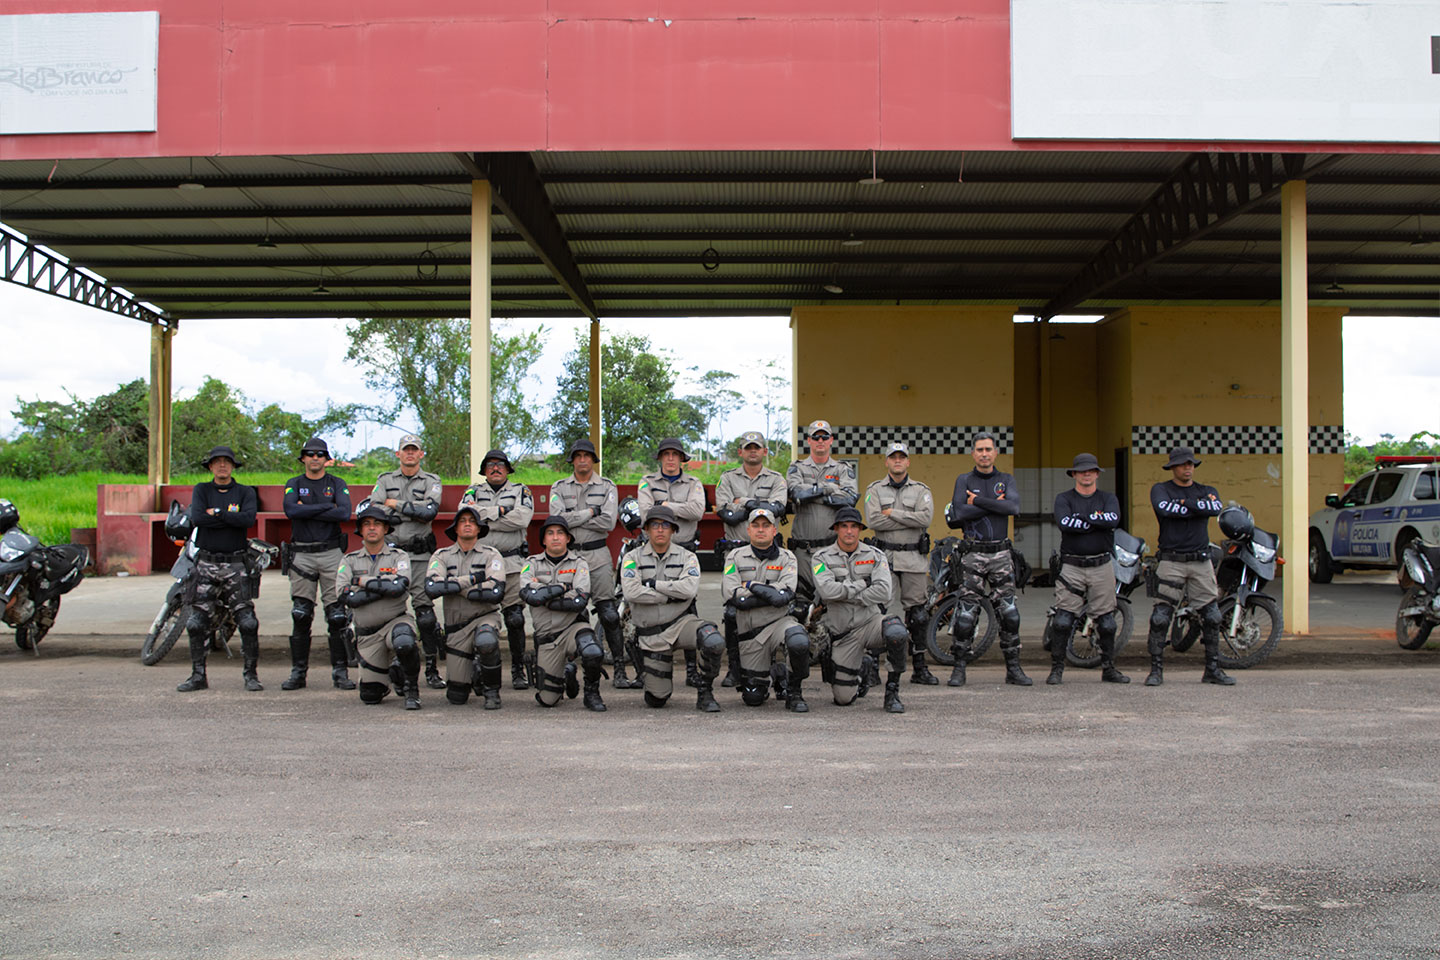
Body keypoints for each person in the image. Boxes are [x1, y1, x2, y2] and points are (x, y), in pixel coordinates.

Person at [549, 439, 641, 690]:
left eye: (587, 456)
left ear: (593, 460)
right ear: (572, 460)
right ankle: (568, 668)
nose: (582, 460)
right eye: (577, 456)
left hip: (598, 554)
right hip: (569, 557)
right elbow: (558, 522)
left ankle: (620, 669)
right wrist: (590, 512)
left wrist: (574, 518)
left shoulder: (607, 486)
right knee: (570, 612)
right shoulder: (558, 487)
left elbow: (609, 523)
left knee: (610, 615)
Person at [620, 505, 725, 712]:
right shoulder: (632, 558)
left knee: (712, 639)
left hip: (681, 624)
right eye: (655, 525)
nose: (660, 529)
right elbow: (631, 592)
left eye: (665, 525)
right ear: (646, 530)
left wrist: (652, 585)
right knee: (657, 699)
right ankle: (658, 681)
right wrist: (669, 596)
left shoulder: (688, 557)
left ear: (673, 530)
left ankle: (705, 692)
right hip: (652, 634)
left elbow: (688, 589)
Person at [945, 432, 1030, 687]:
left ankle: (1013, 670)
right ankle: (958, 669)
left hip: (1001, 554)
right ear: (973, 453)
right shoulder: (964, 480)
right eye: (979, 449)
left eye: (988, 449)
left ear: (995, 453)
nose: (984, 454)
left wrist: (979, 501)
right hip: (972, 554)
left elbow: (1013, 508)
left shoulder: (1006, 479)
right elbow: (960, 511)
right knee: (965, 616)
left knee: (1010, 615)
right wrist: (995, 504)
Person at [1145, 447, 1234, 687]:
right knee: (1161, 617)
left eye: (1191, 464)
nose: (1188, 468)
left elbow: (1215, 508)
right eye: (1183, 464)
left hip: (1200, 561)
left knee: (1213, 616)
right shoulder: (1161, 489)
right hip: (1171, 560)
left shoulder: (1207, 490)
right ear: (1173, 467)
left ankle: (1212, 670)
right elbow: (1165, 508)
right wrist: (1196, 506)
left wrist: (1184, 504)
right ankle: (1155, 671)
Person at [177, 445, 262, 693]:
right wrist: (226, 517)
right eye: (217, 462)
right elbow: (199, 519)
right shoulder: (202, 490)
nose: (222, 465)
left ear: (233, 466)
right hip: (206, 563)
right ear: (210, 467)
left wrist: (218, 513)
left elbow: (247, 520)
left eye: (227, 461)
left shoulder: (245, 492)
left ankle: (251, 675)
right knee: (196, 622)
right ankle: (197, 675)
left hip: (236, 563)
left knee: (247, 622)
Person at [811, 507, 907, 713]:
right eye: (844, 526)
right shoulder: (821, 558)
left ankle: (892, 693)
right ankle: (861, 668)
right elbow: (827, 592)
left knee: (897, 632)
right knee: (844, 699)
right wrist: (864, 584)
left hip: (870, 623)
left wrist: (846, 595)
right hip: (843, 634)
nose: (849, 531)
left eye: (854, 526)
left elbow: (883, 592)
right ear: (836, 528)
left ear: (860, 530)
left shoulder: (875, 555)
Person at [1043, 452, 1129, 685]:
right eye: (1082, 471)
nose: (1087, 474)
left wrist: (1083, 519)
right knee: (1062, 621)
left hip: (1102, 565)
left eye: (1091, 470)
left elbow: (1112, 520)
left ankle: (1109, 668)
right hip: (1072, 565)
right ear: (1074, 474)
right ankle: (1056, 669)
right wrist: (1096, 520)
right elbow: (1065, 523)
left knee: (1107, 623)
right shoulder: (1064, 498)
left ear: (1097, 473)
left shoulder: (1108, 497)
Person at [279, 437, 355, 691]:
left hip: (331, 553)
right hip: (302, 554)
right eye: (310, 454)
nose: (315, 458)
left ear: (327, 459)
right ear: (303, 458)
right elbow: (291, 511)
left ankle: (340, 672)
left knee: (336, 616)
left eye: (320, 454)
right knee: (300, 614)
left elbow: (344, 513)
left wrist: (308, 508)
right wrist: (326, 507)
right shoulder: (294, 484)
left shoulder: (337, 483)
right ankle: (298, 673)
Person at [713, 431, 788, 688]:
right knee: (734, 611)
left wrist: (742, 502)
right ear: (741, 452)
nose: (753, 451)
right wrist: (760, 505)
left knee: (771, 604)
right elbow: (727, 514)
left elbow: (778, 509)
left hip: (769, 553)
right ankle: (735, 668)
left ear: (765, 451)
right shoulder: (727, 478)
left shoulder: (777, 479)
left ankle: (772, 665)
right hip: (736, 553)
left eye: (757, 447)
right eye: (748, 448)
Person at [373, 434, 445, 690]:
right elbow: (375, 510)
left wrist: (395, 504)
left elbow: (429, 513)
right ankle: (393, 667)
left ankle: (432, 669)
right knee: (389, 611)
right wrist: (410, 509)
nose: (410, 454)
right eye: (406, 450)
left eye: (414, 450)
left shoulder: (431, 481)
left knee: (425, 616)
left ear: (421, 454)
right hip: (390, 555)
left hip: (420, 556)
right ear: (398, 454)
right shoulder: (385, 480)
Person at [862, 441, 938, 685]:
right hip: (884, 558)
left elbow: (925, 518)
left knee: (918, 615)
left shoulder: (921, 490)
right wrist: (909, 519)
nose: (897, 461)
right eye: (893, 457)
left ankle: (919, 667)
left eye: (901, 457)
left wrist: (892, 513)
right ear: (886, 461)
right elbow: (874, 521)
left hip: (914, 558)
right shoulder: (874, 489)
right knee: (878, 612)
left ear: (908, 461)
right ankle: (873, 666)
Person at [460, 449, 536, 691]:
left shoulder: (520, 491)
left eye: (500, 465)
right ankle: (481, 668)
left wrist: (485, 515)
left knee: (514, 619)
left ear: (507, 469)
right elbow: (466, 517)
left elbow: (522, 519)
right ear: (484, 470)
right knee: (478, 617)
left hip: (512, 563)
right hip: (480, 565)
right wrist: (502, 511)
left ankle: (517, 668)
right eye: (491, 465)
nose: (495, 468)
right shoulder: (473, 491)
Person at [721, 507, 810, 711]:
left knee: (798, 640)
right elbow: (734, 596)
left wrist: (751, 586)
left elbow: (786, 596)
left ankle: (795, 691)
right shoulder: (734, 557)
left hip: (779, 622)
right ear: (748, 530)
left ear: (774, 530)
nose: (761, 529)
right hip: (750, 631)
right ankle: (777, 672)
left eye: (766, 525)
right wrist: (771, 594)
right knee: (753, 698)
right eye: (756, 525)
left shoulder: (788, 558)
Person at [637, 437, 708, 688]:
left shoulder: (694, 483)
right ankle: (645, 668)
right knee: (650, 602)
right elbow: (645, 513)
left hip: (685, 550)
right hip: (653, 552)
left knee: (689, 607)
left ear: (682, 459)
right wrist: (678, 509)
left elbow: (697, 511)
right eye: (665, 454)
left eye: (675, 454)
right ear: (660, 458)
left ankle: (692, 670)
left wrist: (664, 506)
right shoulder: (647, 482)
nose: (670, 458)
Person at [338, 502, 422, 710]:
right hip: (367, 634)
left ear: (386, 529)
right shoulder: (349, 560)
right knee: (370, 696)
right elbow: (345, 596)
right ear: (360, 530)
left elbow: (400, 587)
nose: (372, 527)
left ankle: (411, 689)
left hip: (395, 622)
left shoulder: (399, 556)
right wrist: (384, 585)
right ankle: (389, 676)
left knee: (404, 641)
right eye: (367, 524)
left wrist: (360, 582)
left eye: (377, 523)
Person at [519, 515, 607, 712]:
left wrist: (544, 593)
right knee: (547, 700)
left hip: (573, 628)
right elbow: (527, 594)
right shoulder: (531, 563)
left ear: (568, 538)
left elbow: (580, 599)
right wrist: (564, 586)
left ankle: (592, 694)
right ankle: (567, 672)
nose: (555, 537)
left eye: (560, 533)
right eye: (550, 533)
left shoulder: (579, 563)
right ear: (543, 540)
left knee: (592, 650)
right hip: (547, 638)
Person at [424, 503, 507, 708]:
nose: (468, 525)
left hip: (484, 617)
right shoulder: (441, 556)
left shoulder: (491, 554)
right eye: (463, 521)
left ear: (479, 528)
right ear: (455, 528)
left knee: (487, 642)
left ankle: (492, 691)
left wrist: (454, 585)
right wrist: (473, 579)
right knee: (456, 697)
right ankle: (474, 671)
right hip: (457, 628)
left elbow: (495, 590)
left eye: (472, 522)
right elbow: (433, 588)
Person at [786, 419, 858, 610]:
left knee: (832, 601)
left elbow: (850, 499)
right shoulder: (797, 468)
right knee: (801, 601)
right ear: (808, 440)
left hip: (832, 550)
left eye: (824, 437)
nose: (820, 441)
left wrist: (811, 494)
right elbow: (796, 494)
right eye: (815, 437)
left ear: (831, 440)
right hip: (803, 550)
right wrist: (829, 489)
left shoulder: (842, 469)